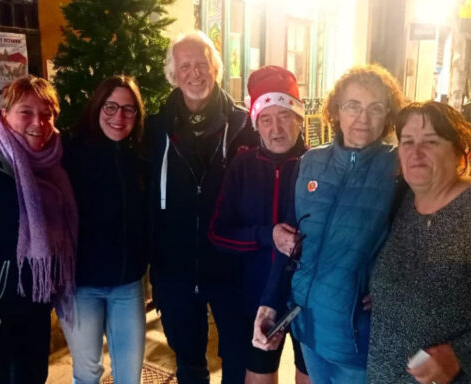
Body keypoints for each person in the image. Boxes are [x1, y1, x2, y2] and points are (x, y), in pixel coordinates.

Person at [252, 64, 405, 384]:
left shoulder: (399, 166)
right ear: (336, 109)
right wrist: (269, 302)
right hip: (308, 327)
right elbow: (292, 243)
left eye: (376, 108)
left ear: (388, 114)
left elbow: (419, 238)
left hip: (358, 338)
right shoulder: (311, 163)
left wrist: (392, 286)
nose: (363, 117)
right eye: (353, 105)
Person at [145, 30, 258, 384]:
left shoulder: (245, 126)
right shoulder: (155, 128)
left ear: (216, 68)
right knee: (189, 363)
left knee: (237, 360)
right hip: (175, 269)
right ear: (173, 74)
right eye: (185, 66)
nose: (195, 73)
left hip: (232, 269)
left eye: (202, 64)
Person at [208, 65, 310, 384]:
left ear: (299, 119)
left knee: (311, 375)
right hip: (255, 296)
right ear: (256, 124)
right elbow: (218, 233)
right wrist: (267, 235)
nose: (276, 128)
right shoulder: (242, 165)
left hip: (308, 298)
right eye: (266, 119)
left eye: (284, 116)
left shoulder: (317, 165)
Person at [368, 101, 471, 384]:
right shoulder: (403, 202)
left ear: (459, 152)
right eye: (407, 141)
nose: (416, 153)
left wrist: (461, 354)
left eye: (431, 142)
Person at [59, 75, 147, 384]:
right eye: (111, 106)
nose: (119, 117)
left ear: (137, 116)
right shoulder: (68, 151)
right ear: (97, 106)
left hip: (127, 284)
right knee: (87, 374)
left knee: (129, 375)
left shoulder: (139, 158)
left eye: (128, 109)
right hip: (80, 287)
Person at [0, 75, 77, 384]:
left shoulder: (53, 167)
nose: (37, 122)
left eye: (46, 114)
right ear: (4, 115)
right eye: (25, 112)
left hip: (36, 305)